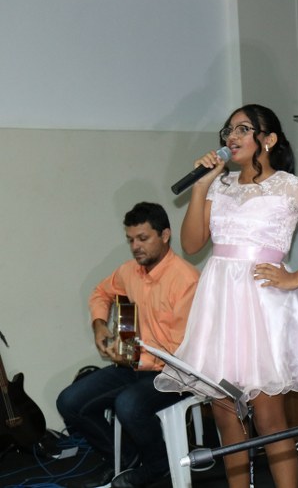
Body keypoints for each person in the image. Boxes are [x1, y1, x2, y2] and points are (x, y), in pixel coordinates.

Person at [155, 104, 298, 488]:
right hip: (220, 305)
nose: (232, 137)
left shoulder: (287, 185)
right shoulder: (219, 185)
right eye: (228, 130)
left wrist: (297, 277)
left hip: (262, 305)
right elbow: (192, 244)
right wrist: (201, 186)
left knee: (269, 419)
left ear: (268, 139)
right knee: (225, 415)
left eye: (243, 129)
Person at [57, 202, 199, 488]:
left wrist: (133, 359)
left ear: (165, 235)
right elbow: (101, 293)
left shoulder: (186, 280)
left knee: (129, 404)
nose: (135, 247)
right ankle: (123, 458)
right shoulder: (129, 271)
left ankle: (159, 464)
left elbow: (179, 351)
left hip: (177, 371)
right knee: (69, 402)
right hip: (136, 364)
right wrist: (99, 324)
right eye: (131, 240)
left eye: (143, 238)